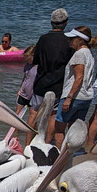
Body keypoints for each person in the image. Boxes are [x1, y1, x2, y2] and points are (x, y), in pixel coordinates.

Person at [32, 8, 73, 137]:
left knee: (34, 112)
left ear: (51, 23)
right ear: (66, 22)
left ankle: (28, 142)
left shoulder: (43, 39)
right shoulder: (69, 41)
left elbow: (35, 60)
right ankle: (46, 142)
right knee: (53, 115)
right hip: (58, 84)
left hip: (40, 82)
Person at [55, 26, 96, 146]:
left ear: (81, 40)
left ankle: (59, 154)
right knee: (73, 129)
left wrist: (69, 98)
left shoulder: (79, 54)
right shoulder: (89, 53)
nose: (69, 41)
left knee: (59, 129)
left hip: (75, 96)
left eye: (72, 39)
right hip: (86, 97)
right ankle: (69, 153)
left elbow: (79, 77)